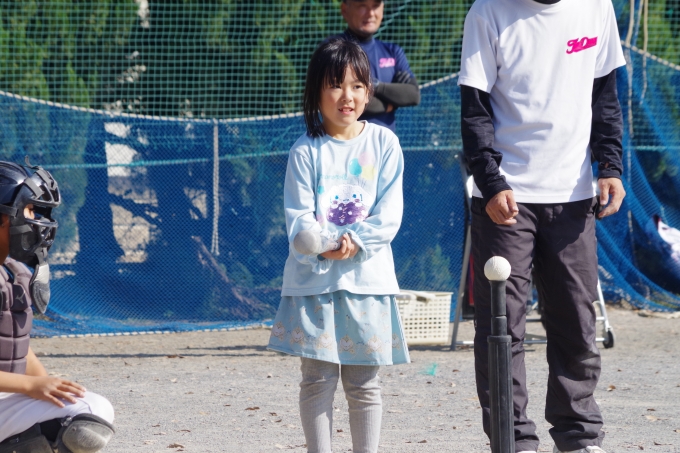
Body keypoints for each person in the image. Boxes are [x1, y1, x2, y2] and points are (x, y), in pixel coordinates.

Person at [458, 0, 627, 453]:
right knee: (501, 328)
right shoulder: (487, 11)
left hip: (573, 198)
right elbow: (474, 110)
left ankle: (578, 437)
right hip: (506, 199)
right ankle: (513, 441)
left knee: (577, 321)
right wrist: (492, 182)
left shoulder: (597, 7)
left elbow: (605, 98)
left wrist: (610, 165)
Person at [267, 38, 409, 453]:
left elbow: (389, 214)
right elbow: (299, 219)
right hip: (316, 284)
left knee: (364, 383)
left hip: (368, 283)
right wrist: (324, 245)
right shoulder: (305, 150)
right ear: (316, 92)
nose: (347, 96)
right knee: (316, 380)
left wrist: (355, 242)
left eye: (357, 85)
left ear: (369, 91)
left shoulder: (384, 143)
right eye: (335, 85)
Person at [0, 162, 115, 453]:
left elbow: (17, 347)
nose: (37, 220)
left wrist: (45, 383)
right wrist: (32, 387)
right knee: (87, 411)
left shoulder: (12, 273)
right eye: (29, 210)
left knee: (88, 412)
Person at [336, 0, 420, 132]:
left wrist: (376, 86)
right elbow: (345, 99)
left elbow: (413, 95)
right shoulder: (333, 51)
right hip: (346, 142)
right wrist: (391, 103)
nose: (370, 13)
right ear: (345, 10)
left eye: (375, 6)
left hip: (385, 144)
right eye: (362, 6)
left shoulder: (393, 51)